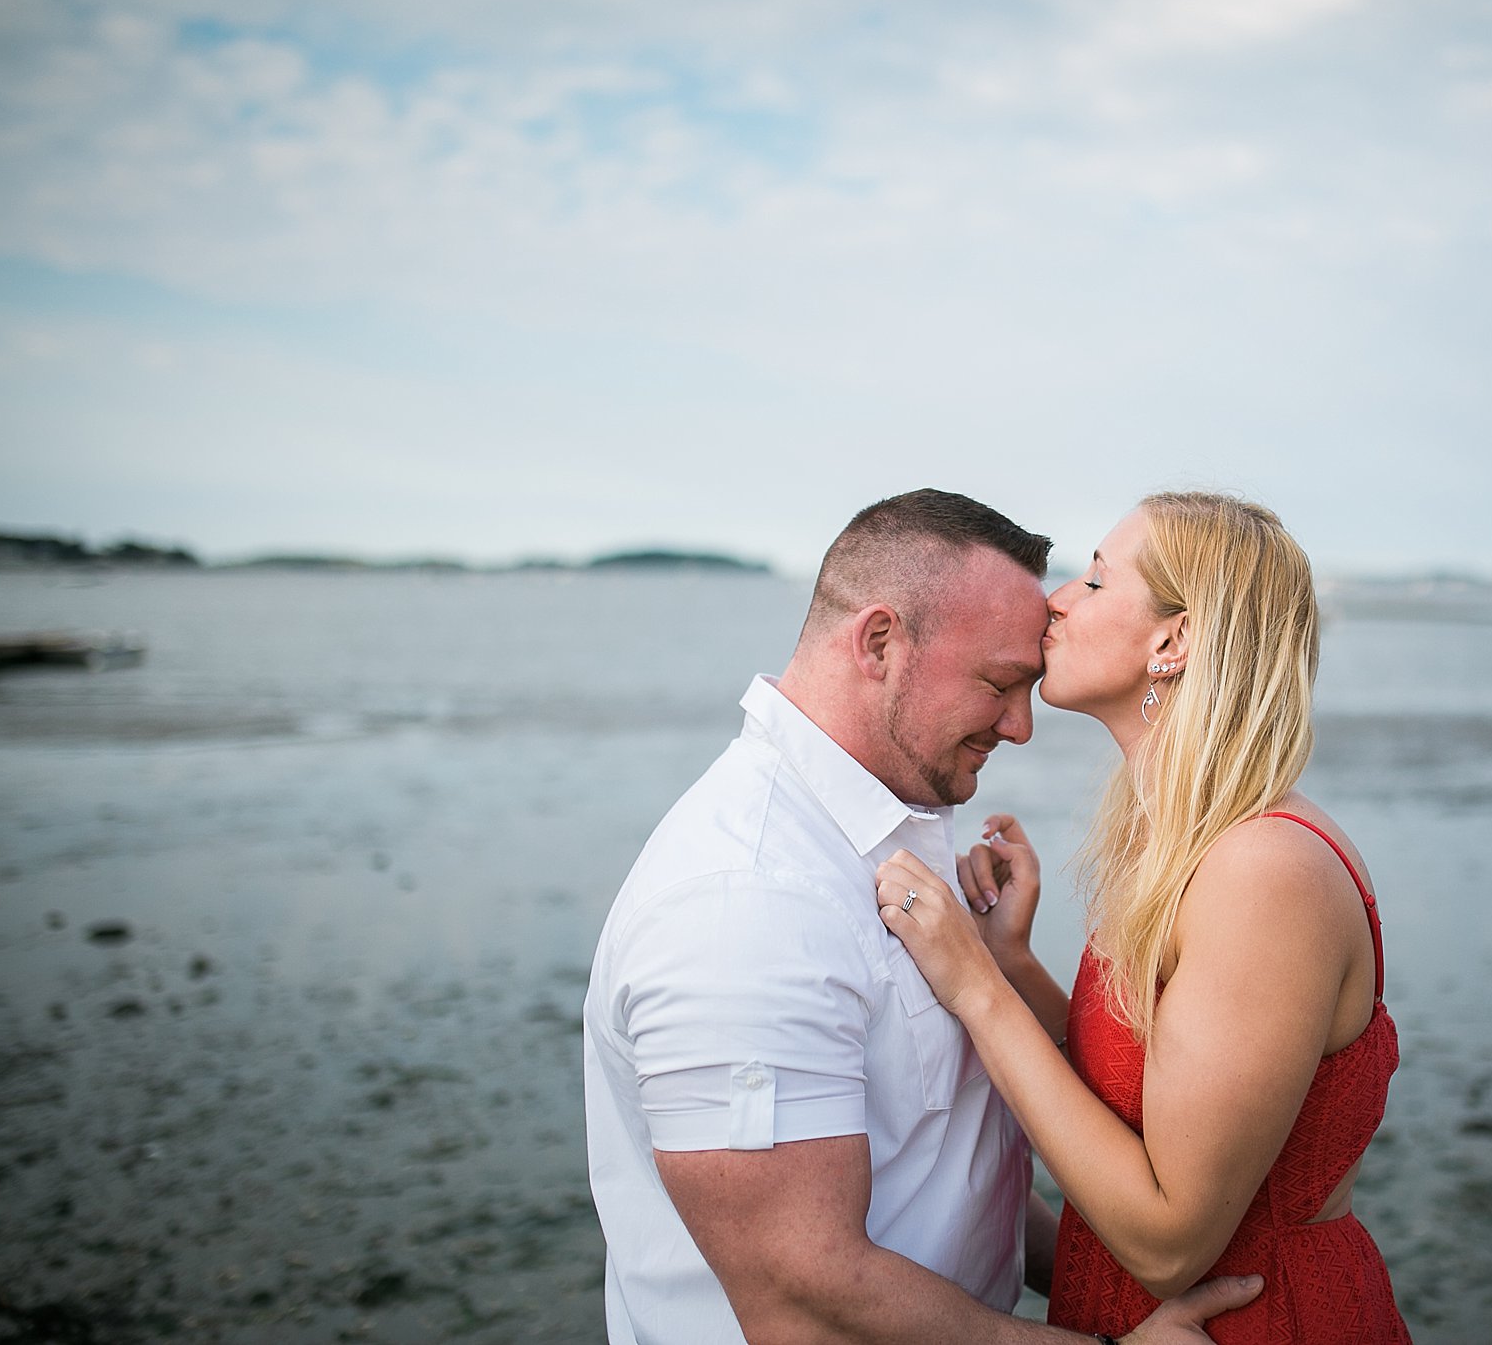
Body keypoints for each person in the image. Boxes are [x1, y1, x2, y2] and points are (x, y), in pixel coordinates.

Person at [582, 488, 1262, 1345]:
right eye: (999, 684)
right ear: (878, 642)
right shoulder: (746, 903)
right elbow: (805, 1302)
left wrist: (1108, 1283)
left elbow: (954, 1171)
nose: (1021, 725)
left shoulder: (892, 824)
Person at [874, 491, 1413, 1343]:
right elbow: (1144, 1101)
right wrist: (1012, 961)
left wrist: (974, 985)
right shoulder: (1183, 839)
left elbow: (1169, 1240)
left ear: (1173, 640)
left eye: (1092, 580)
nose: (1054, 598)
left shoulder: (1262, 873)